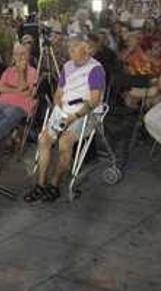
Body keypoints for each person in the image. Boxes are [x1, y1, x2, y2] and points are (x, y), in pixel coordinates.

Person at [29, 37, 105, 203]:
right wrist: (58, 108)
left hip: (84, 114)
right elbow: (58, 93)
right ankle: (40, 184)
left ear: (86, 51)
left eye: (73, 49)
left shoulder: (95, 69)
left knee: (65, 142)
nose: (68, 53)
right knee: (44, 139)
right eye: (69, 49)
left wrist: (74, 116)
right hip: (64, 111)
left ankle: (54, 184)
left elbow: (94, 101)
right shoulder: (67, 66)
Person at [0, 43, 38, 154]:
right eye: (17, 54)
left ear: (28, 56)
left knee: (6, 117)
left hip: (20, 106)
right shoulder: (8, 71)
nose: (20, 57)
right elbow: (0, 88)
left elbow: (27, 93)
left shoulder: (32, 71)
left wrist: (21, 72)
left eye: (23, 54)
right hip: (1, 104)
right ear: (13, 56)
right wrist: (17, 90)